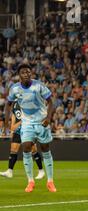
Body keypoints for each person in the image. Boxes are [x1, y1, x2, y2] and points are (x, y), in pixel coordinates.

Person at [3, 63, 57, 193]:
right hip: (26, 123)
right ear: (19, 75)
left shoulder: (38, 85)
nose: (26, 74)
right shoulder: (15, 88)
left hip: (41, 122)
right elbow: (8, 104)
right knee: (26, 147)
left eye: (28, 72)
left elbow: (50, 101)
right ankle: (30, 181)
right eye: (23, 72)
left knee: (45, 148)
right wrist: (6, 121)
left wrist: (48, 118)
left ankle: (50, 181)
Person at [0, 102, 45, 179]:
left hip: (28, 129)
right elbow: (14, 116)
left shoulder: (29, 101)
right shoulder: (15, 104)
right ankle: (9, 171)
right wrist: (13, 128)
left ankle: (41, 171)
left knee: (33, 150)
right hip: (18, 130)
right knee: (13, 149)